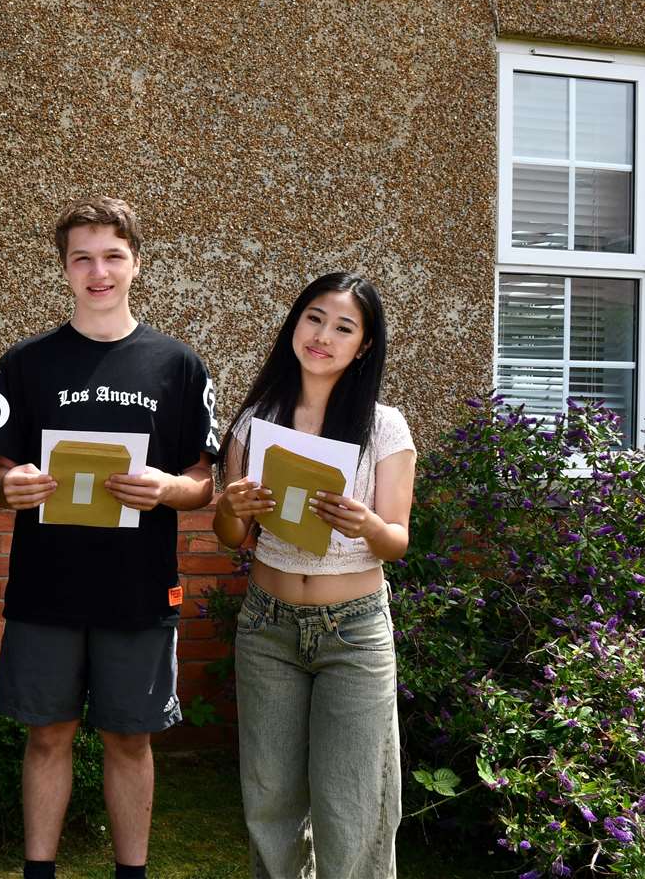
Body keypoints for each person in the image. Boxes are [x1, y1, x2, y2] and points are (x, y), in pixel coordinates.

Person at [0, 196, 219, 879]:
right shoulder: (26, 363)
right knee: (48, 734)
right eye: (83, 258)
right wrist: (15, 485)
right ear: (64, 269)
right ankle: (39, 872)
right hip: (46, 585)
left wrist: (165, 488)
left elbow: (203, 480)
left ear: (136, 263)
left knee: (129, 738)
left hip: (138, 587)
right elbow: (1, 471)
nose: (99, 272)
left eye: (113, 256)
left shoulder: (178, 365)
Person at [212, 272, 416, 878]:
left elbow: (397, 540)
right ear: (294, 324)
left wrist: (367, 526)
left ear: (365, 346)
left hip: (353, 633)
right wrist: (228, 510)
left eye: (343, 327)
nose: (323, 335)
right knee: (269, 800)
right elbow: (234, 540)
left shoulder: (384, 427)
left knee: (350, 806)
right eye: (313, 318)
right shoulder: (255, 422)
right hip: (268, 627)